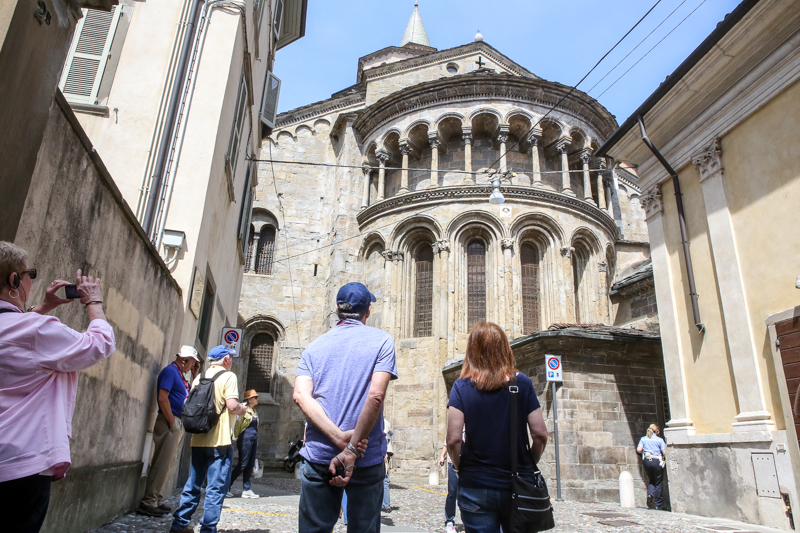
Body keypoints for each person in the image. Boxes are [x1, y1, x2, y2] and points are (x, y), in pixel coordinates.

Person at [0, 241, 116, 533]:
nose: (29, 280)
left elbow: (16, 336)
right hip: (21, 459)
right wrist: (94, 303)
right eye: (30, 274)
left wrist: (42, 307)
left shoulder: (25, 327)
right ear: (14, 281)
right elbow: (99, 344)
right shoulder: (36, 330)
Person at [293, 282, 397, 533]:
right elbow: (375, 396)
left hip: (319, 455)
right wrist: (350, 447)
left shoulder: (314, 347)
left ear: (338, 310)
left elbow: (300, 396)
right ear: (367, 311)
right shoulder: (382, 341)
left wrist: (337, 437)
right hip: (366, 456)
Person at [446, 322, 548, 533]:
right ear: (505, 349)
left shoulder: (461, 386)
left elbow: (453, 440)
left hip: (475, 483)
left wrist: (458, 466)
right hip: (517, 483)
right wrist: (529, 462)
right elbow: (540, 434)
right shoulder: (523, 383)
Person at [169, 346, 247, 533]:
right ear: (226, 359)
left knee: (192, 485)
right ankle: (208, 529)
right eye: (231, 358)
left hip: (198, 439)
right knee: (215, 488)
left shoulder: (200, 377)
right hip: (219, 441)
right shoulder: (229, 377)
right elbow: (231, 405)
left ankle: (179, 525)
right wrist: (242, 409)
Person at [138, 345, 200, 516]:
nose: (192, 367)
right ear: (185, 360)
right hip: (169, 421)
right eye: (192, 363)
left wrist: (194, 376)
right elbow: (162, 397)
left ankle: (156, 497)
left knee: (166, 463)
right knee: (161, 462)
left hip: (175, 421)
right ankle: (148, 501)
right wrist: (172, 422)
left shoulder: (180, 375)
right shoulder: (171, 372)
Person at [230, 389, 260, 498]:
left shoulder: (254, 411)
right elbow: (238, 425)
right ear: (249, 399)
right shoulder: (244, 410)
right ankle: (227, 485)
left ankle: (247, 489)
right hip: (245, 439)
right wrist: (235, 438)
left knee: (250, 464)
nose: (257, 399)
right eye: (255, 397)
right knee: (242, 464)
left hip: (253, 439)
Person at [438, 429, 464, 533]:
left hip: (467, 463)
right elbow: (447, 443)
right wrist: (442, 456)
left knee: (465, 494)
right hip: (452, 462)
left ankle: (467, 520)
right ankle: (449, 520)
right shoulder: (455, 427)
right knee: (452, 492)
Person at [637, 423, 666, 510]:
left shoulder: (643, 439)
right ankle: (658, 504)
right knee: (658, 483)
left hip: (646, 460)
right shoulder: (659, 440)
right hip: (656, 460)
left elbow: (639, 449)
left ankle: (650, 494)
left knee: (651, 480)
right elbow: (664, 452)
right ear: (657, 431)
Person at [382, 417, 393, 513]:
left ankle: (386, 504)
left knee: (384, 479)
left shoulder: (383, 422)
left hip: (383, 453)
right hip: (385, 452)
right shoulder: (386, 422)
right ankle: (384, 504)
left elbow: (385, 438)